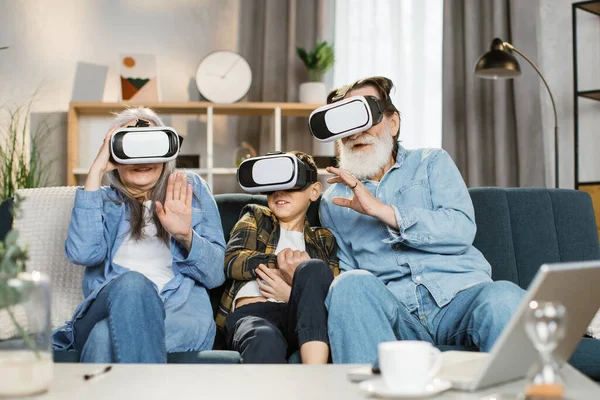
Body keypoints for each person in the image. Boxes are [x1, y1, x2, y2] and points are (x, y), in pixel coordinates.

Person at [319, 76, 525, 363]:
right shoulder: (332, 201)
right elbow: (348, 276)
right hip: (397, 315)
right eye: (347, 122)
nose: (356, 132)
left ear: (392, 123)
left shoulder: (431, 163)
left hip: (460, 299)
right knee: (349, 286)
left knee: (504, 297)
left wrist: (384, 211)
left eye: (365, 116)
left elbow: (461, 229)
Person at [53, 107, 226, 363]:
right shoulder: (101, 200)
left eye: (151, 144)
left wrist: (185, 235)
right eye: (132, 146)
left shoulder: (190, 189)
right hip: (106, 308)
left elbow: (215, 276)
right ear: (114, 153)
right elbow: (83, 253)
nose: (142, 159)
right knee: (134, 283)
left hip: (177, 317)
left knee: (103, 337)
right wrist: (95, 171)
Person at [216, 151, 339, 363]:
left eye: (290, 183)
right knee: (264, 337)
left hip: (302, 316)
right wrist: (286, 266)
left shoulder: (323, 238)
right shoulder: (255, 216)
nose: (279, 192)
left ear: (314, 191)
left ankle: (317, 379)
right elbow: (233, 261)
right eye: (272, 185)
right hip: (254, 314)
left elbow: (330, 292)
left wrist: (294, 291)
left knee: (314, 268)